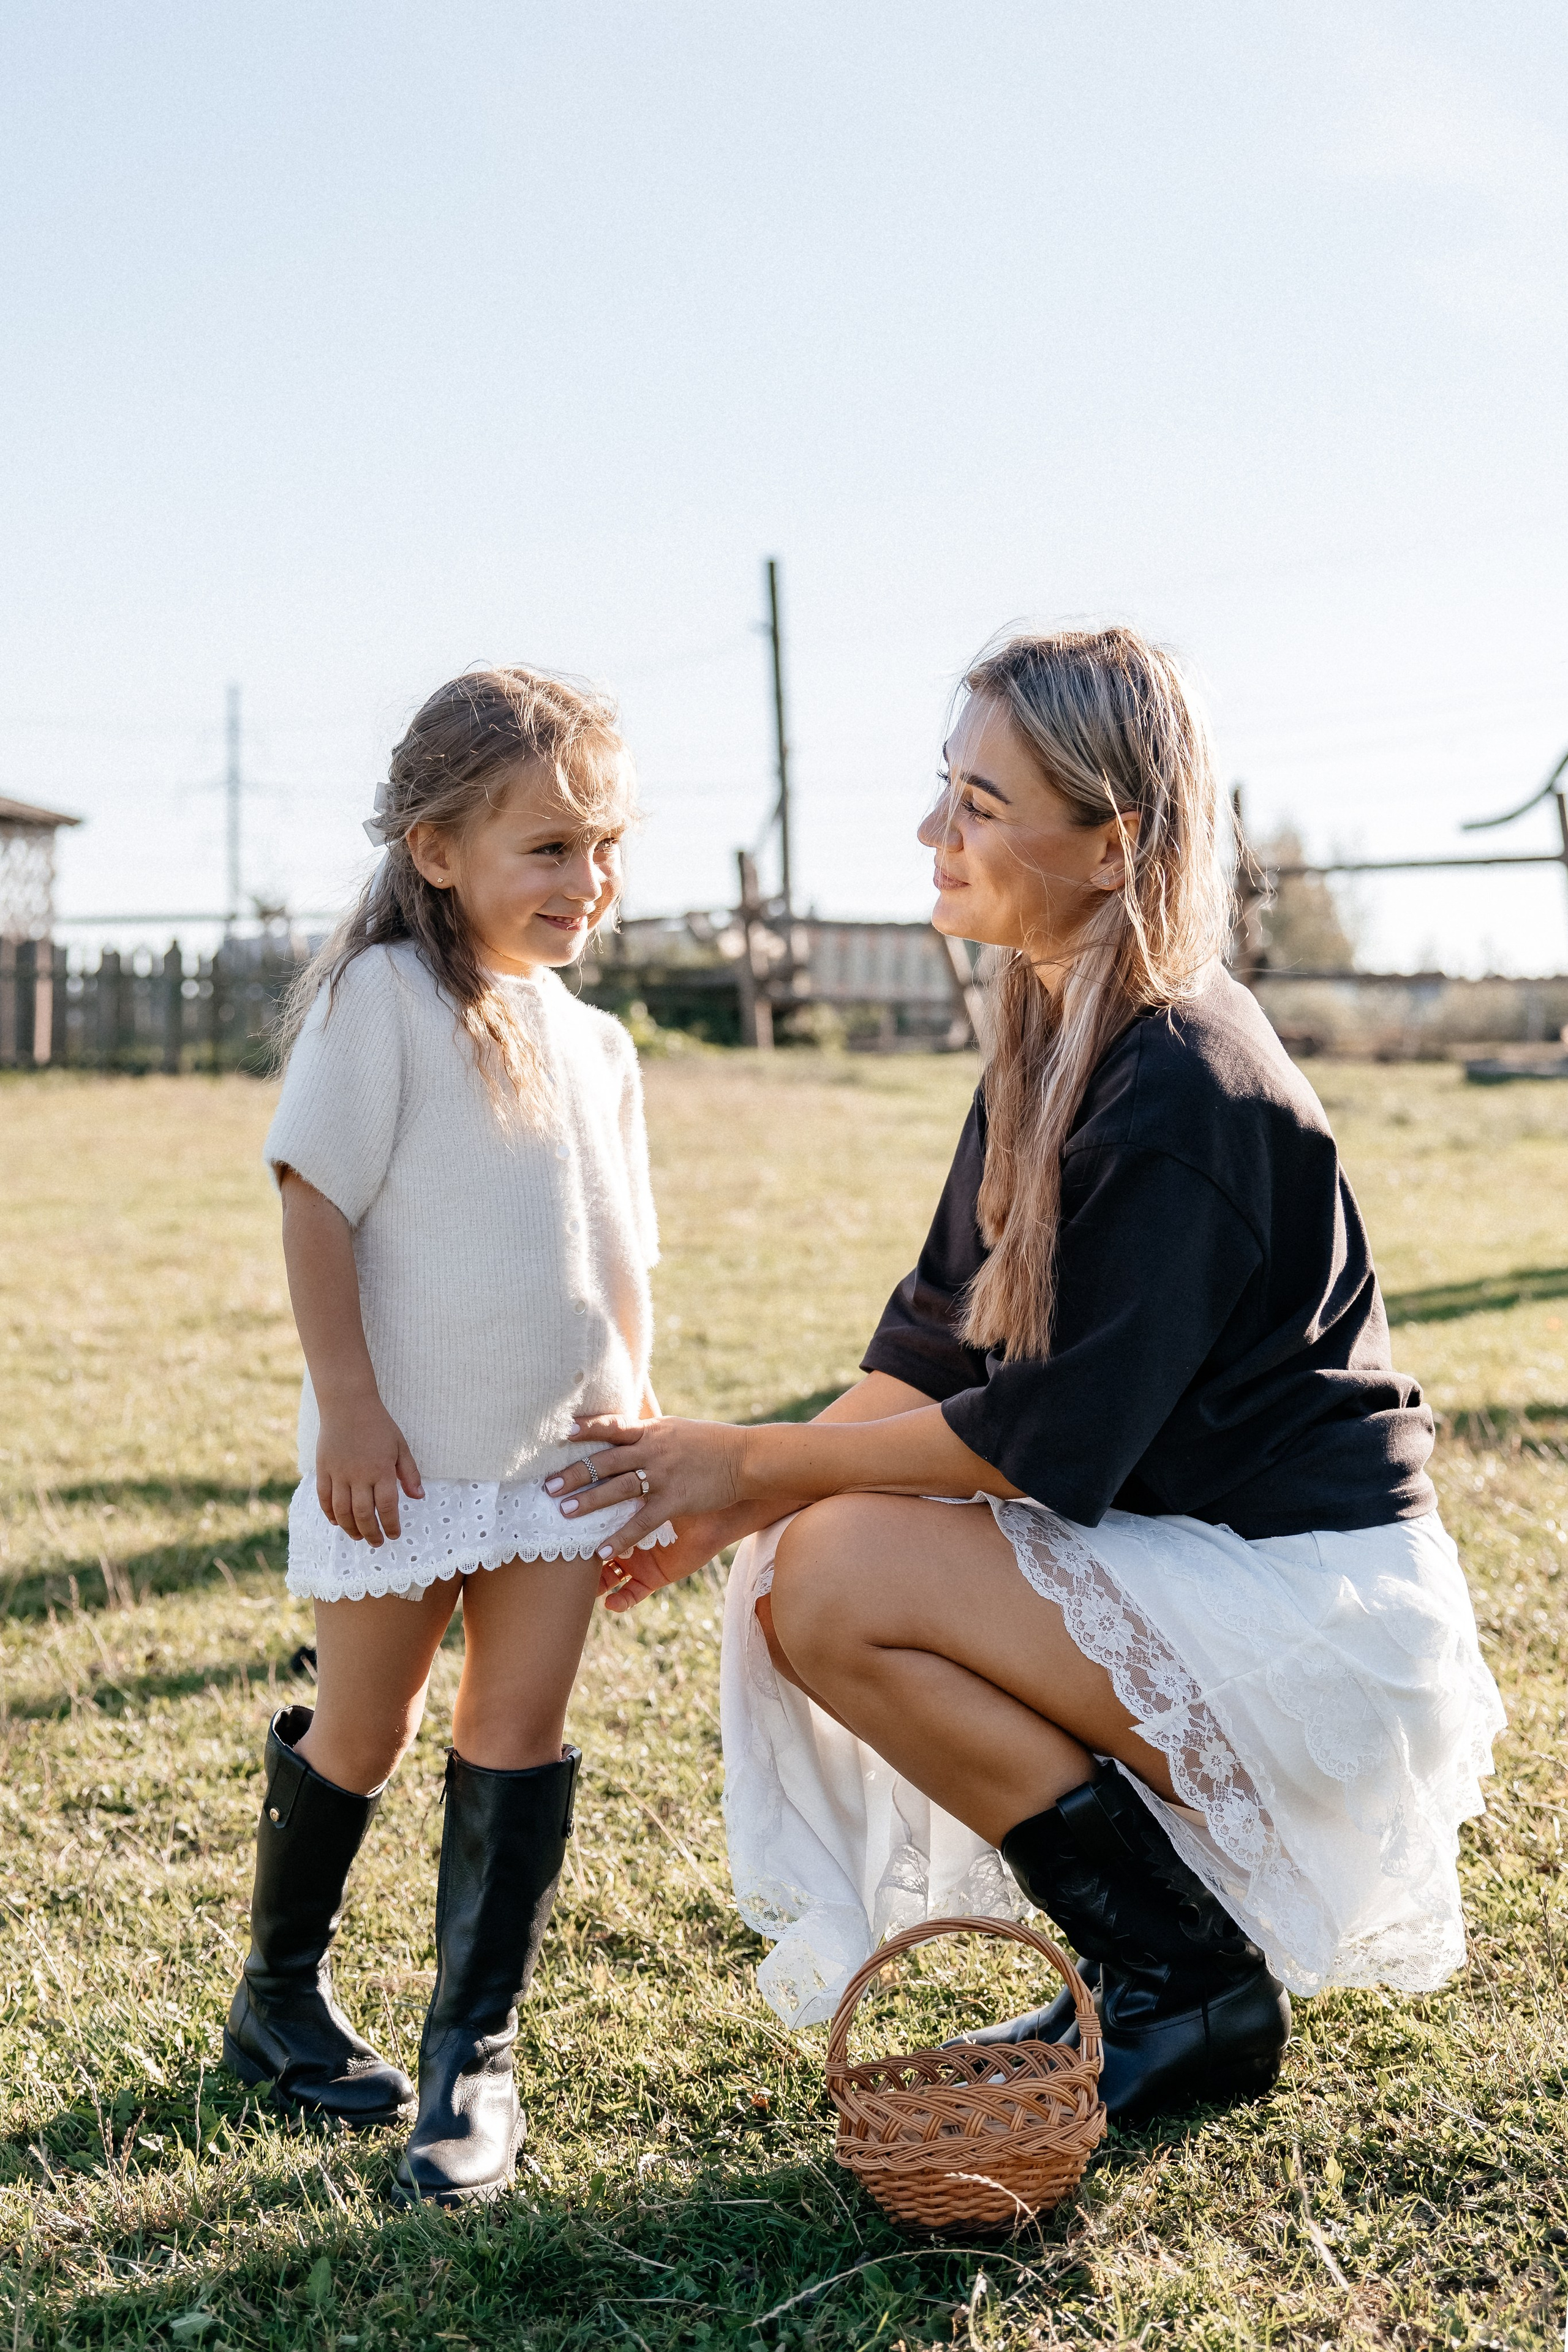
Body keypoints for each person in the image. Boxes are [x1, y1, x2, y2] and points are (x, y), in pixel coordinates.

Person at [547, 624, 1506, 2124]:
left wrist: (747, 1465)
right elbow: (927, 1348)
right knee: (801, 1570)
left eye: (979, 806)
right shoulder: (1056, 1027)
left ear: (1111, 845)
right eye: (947, 790)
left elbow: (1038, 1444)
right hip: (1197, 1567)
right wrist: (726, 1511)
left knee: (841, 1570)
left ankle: (1184, 1984)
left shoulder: (1187, 1077)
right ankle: (1164, 1965)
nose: (934, 833)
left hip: (1317, 1616)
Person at [224, 666, 671, 2204]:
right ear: (436, 848)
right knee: (370, 1732)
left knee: (515, 1730)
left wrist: (640, 1398)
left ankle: (469, 2057)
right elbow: (315, 1204)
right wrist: (347, 1405)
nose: (585, 881)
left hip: (556, 1466)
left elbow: (619, 1252)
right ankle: (277, 2006)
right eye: (547, 847)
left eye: (602, 848)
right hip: (401, 1462)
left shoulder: (599, 1044)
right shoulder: (384, 1002)